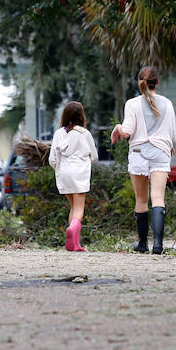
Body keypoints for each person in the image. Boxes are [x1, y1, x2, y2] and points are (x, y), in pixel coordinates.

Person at [111, 66, 176, 254]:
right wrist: (167, 144)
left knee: (141, 199)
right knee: (158, 198)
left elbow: (127, 131)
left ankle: (142, 244)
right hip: (160, 153)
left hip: (139, 153)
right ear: (157, 82)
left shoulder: (132, 104)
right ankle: (158, 245)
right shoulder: (168, 103)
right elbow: (172, 133)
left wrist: (117, 127)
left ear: (139, 81)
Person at [49, 101, 98, 252]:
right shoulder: (85, 133)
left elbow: (52, 159)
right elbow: (94, 157)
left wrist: (60, 168)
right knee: (79, 210)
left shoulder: (58, 134)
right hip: (79, 173)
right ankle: (72, 233)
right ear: (81, 116)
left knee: (73, 207)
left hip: (63, 173)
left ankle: (74, 244)